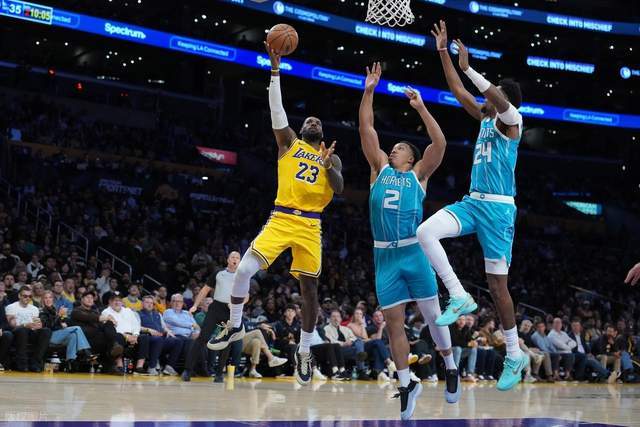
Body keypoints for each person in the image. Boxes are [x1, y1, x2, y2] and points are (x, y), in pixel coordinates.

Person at [206, 41, 344, 388]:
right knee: (244, 271)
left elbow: (339, 188)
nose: (312, 121)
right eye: (308, 119)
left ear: (322, 132)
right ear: (303, 128)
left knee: (309, 289)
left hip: (310, 224)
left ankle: (305, 350)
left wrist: (329, 165)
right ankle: (235, 323)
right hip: (282, 217)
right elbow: (277, 111)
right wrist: (275, 70)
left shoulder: (330, 157)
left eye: (317, 121)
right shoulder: (289, 144)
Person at [417, 20, 527, 391]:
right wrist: (443, 53)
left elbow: (494, 96)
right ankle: (459, 294)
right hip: (472, 202)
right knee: (425, 232)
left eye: (492, 95)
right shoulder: (484, 119)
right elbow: (456, 89)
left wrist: (469, 68)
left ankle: (514, 353)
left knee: (498, 287)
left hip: (499, 210)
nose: (484, 98)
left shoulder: (512, 122)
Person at [359, 62, 458, 419]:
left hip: (413, 253)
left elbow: (440, 143)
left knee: (433, 317)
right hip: (384, 257)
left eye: (399, 148)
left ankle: (450, 366)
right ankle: (406, 384)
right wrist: (369, 91)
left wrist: (421, 108)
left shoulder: (419, 175)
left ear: (411, 157)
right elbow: (366, 127)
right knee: (393, 324)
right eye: (393, 147)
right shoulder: (378, 169)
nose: (393, 150)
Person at [183, 251, 242, 382]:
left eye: (237, 258)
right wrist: (195, 305)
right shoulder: (218, 273)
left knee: (226, 342)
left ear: (240, 261)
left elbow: (247, 295)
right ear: (228, 260)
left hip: (230, 311)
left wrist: (237, 304)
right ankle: (187, 370)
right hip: (216, 308)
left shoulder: (242, 276)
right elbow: (205, 290)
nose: (235, 259)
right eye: (232, 257)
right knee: (202, 338)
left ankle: (219, 373)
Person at [39, 290, 96, 372]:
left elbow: (57, 324)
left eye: (50, 297)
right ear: (43, 300)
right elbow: (48, 326)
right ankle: (87, 352)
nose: (48, 300)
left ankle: (71, 362)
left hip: (57, 335)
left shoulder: (54, 309)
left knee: (73, 336)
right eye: (46, 298)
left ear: (53, 299)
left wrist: (62, 322)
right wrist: (59, 315)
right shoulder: (42, 311)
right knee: (77, 328)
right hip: (48, 336)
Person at [70, 291, 123, 371]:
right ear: (82, 299)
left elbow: (101, 325)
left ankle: (114, 347)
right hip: (84, 339)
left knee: (111, 328)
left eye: (91, 298)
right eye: (87, 297)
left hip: (96, 337)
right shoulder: (76, 311)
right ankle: (112, 353)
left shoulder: (95, 311)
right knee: (108, 338)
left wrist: (110, 323)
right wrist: (106, 318)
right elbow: (89, 317)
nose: (90, 299)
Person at [101, 293, 150, 375]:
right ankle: (119, 365)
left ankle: (139, 367)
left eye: (119, 300)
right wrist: (126, 336)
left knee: (144, 337)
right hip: (119, 335)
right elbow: (110, 329)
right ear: (110, 302)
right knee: (118, 337)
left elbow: (136, 325)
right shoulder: (106, 312)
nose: (117, 302)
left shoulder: (128, 311)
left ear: (122, 302)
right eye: (115, 300)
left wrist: (135, 335)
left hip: (132, 335)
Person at [6, 285, 52, 371]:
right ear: (19, 296)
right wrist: (25, 325)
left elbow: (36, 323)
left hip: (31, 331)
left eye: (30, 296)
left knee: (46, 331)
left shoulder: (34, 309)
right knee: (23, 330)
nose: (28, 298)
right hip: (17, 332)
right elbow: (11, 325)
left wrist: (39, 325)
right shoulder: (11, 307)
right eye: (25, 296)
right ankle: (22, 363)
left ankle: (35, 362)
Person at [348, 307, 396, 381]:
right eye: (357, 313)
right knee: (378, 341)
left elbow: (365, 338)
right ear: (353, 315)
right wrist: (362, 325)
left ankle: (378, 372)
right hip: (357, 346)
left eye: (360, 314)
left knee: (376, 349)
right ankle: (389, 363)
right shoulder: (351, 325)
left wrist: (363, 329)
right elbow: (362, 338)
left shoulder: (363, 326)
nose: (359, 315)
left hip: (365, 345)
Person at [163, 294, 200, 376]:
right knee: (188, 342)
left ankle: (199, 368)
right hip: (175, 336)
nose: (177, 303)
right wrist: (191, 325)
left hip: (189, 336)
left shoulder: (187, 313)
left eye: (179, 301)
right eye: (175, 301)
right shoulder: (168, 312)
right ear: (171, 302)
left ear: (183, 303)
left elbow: (197, 327)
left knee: (198, 342)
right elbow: (176, 322)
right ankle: (187, 369)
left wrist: (196, 333)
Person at [0, 302, 14, 371]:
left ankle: (0, 361)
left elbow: (6, 324)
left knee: (8, 334)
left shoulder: (1, 307)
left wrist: (1, 328)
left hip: (1, 332)